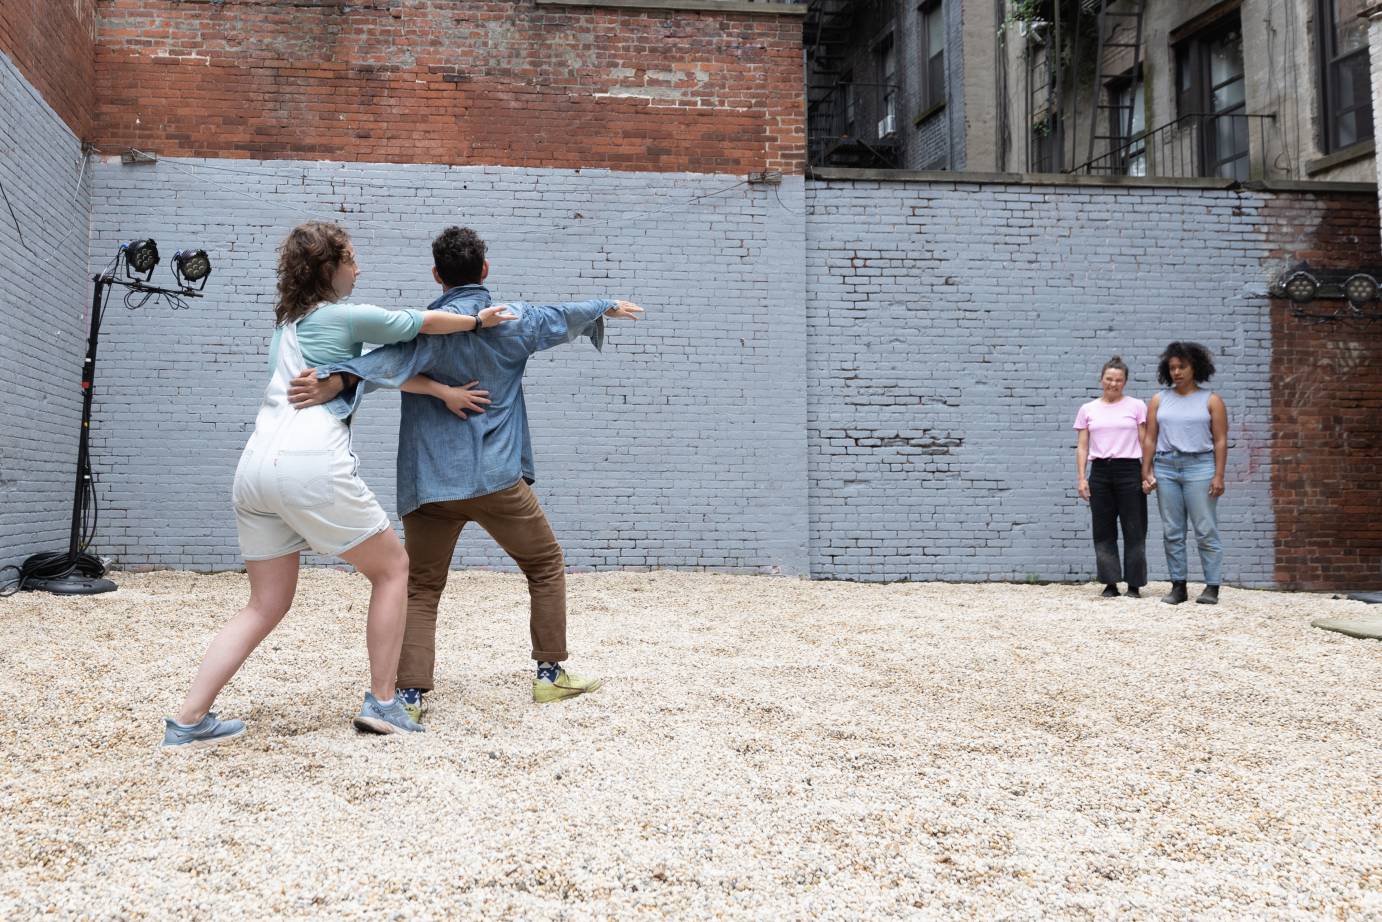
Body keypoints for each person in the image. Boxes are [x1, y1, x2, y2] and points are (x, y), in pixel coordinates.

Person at [161, 221, 516, 749]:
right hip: (309, 463)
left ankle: (188, 720)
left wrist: (436, 391)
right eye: (351, 260)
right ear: (331, 269)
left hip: (255, 468)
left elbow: (375, 372)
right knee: (395, 569)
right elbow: (414, 323)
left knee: (264, 604)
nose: (359, 268)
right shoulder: (342, 316)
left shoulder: (286, 329)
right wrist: (475, 320)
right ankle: (383, 703)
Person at [288, 226, 643, 719]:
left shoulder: (426, 330)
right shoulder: (515, 319)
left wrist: (336, 379)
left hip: (430, 484)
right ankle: (550, 675)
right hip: (498, 480)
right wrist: (608, 304)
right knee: (544, 566)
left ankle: (408, 698)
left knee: (420, 587)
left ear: (437, 275)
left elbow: (381, 364)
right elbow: (563, 315)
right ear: (486, 270)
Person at [1141, 341, 1229, 606]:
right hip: (1166, 467)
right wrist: (1146, 469)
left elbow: (1221, 440)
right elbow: (1150, 439)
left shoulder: (1211, 400)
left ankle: (1211, 586)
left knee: (1205, 529)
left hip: (1200, 467)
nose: (1176, 372)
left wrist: (1219, 475)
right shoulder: (1159, 399)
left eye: (1182, 367)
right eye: (1172, 368)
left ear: (1195, 368)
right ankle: (1178, 586)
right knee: (1172, 531)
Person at [1074, 356, 1148, 598]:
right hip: (1101, 472)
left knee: (1134, 527)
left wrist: (1147, 473)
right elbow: (1083, 446)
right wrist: (1082, 478)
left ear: (1125, 382)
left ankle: (1134, 584)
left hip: (1129, 470)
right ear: (1101, 379)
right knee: (1103, 528)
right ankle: (1110, 582)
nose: (1113, 384)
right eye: (1109, 379)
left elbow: (1144, 441)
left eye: (1118, 380)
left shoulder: (1136, 406)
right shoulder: (1088, 409)